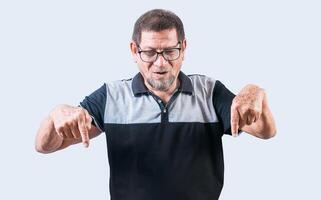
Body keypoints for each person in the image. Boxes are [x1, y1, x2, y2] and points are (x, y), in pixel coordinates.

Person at [35, 9, 276, 200]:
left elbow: (266, 131)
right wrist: (55, 114)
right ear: (134, 50)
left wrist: (256, 92)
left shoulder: (210, 92)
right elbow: (44, 146)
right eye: (149, 53)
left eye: (170, 51)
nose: (160, 64)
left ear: (184, 49)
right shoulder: (112, 95)